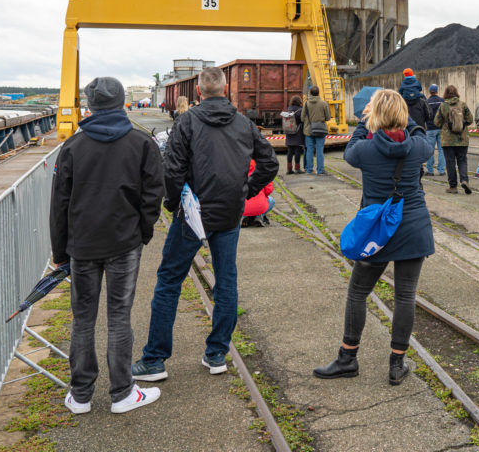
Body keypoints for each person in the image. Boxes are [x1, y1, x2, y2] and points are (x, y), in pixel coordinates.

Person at [132, 67, 280, 383]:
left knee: (169, 280)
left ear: (199, 92)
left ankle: (155, 359)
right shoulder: (243, 123)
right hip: (228, 214)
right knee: (226, 280)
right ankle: (216, 354)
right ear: (226, 91)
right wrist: (246, 191)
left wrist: (173, 205)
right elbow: (270, 163)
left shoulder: (187, 122)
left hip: (193, 213)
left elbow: (172, 170)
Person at [52, 76, 165, 415]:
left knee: (82, 318)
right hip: (124, 242)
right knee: (119, 317)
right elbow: (153, 195)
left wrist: (61, 252)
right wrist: (143, 232)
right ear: (121, 103)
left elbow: (59, 204)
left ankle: (81, 395)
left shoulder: (72, 146)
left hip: (82, 245)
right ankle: (122, 393)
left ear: (90, 105)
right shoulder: (141, 143)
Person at [313, 89, 434, 385]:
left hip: (377, 233)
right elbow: (421, 134)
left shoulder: (366, 150)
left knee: (357, 293)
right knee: (405, 296)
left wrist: (363, 120)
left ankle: (347, 358)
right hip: (412, 229)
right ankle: (396, 365)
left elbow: (350, 149)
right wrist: (406, 121)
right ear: (403, 116)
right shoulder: (418, 147)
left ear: (374, 115)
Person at [434, 85, 473, 194]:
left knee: (450, 163)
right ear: (456, 93)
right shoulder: (463, 104)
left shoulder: (443, 105)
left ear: (445, 94)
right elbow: (470, 120)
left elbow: (436, 122)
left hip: (448, 140)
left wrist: (446, 124)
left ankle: (453, 187)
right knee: (462, 161)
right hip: (462, 139)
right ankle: (465, 180)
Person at [303, 85, 331, 175]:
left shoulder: (306, 104)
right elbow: (328, 117)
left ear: (310, 93)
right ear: (318, 93)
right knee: (319, 150)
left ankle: (309, 169)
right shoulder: (323, 103)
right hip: (320, 130)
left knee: (309, 150)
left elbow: (302, 118)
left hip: (308, 130)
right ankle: (320, 170)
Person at [281, 95, 305, 175]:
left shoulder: (288, 109)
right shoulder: (300, 110)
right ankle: (297, 168)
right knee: (297, 150)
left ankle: (289, 169)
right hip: (297, 132)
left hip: (289, 131)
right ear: (300, 102)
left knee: (290, 151)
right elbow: (302, 120)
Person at [425, 84, 444, 175]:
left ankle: (430, 170)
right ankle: (441, 170)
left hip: (430, 128)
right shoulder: (442, 101)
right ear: (437, 91)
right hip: (441, 128)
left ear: (430, 91)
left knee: (430, 150)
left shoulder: (427, 101)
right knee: (441, 150)